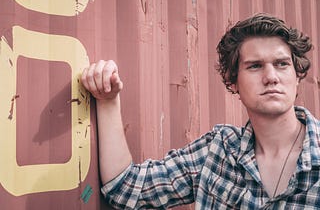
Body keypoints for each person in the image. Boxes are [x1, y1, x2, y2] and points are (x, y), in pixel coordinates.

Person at [81, 13, 320, 209]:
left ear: (297, 75)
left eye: (282, 64)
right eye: (255, 66)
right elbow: (125, 189)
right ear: (233, 81)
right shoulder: (218, 152)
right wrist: (107, 99)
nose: (271, 77)